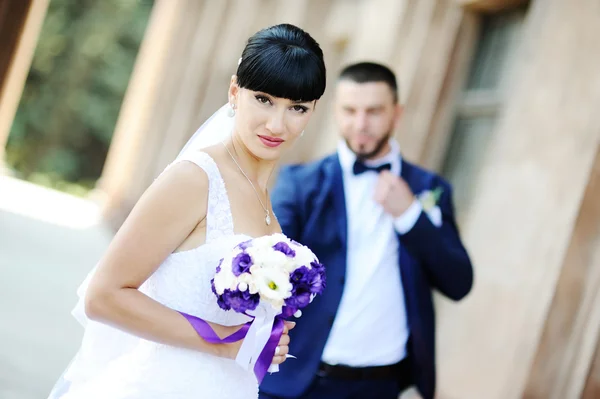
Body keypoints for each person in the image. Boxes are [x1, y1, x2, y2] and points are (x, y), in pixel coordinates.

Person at [47, 23, 327, 399]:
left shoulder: (264, 200)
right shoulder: (196, 179)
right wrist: (225, 341)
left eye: (296, 108)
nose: (277, 124)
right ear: (234, 92)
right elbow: (104, 296)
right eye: (263, 99)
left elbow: (237, 325)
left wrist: (263, 339)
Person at [259, 62, 473, 399]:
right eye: (350, 111)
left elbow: (459, 282)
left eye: (373, 112)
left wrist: (410, 216)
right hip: (296, 381)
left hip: (380, 386)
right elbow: (269, 264)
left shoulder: (429, 188)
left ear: (396, 114)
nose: (361, 124)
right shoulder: (299, 184)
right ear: (334, 113)